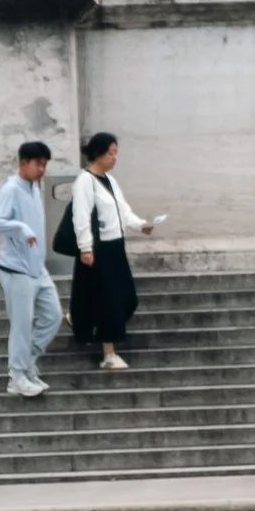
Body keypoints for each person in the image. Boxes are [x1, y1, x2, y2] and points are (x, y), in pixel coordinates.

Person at [68, 131, 158, 373]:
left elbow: (122, 211)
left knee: (128, 298)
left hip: (116, 246)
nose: (114, 158)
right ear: (98, 153)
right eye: (111, 153)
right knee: (111, 301)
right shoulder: (85, 181)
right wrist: (86, 248)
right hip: (99, 249)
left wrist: (140, 225)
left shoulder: (109, 180)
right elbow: (81, 217)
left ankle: (85, 321)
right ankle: (109, 354)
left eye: (116, 152)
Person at [0, 139, 59, 398]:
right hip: (15, 269)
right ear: (23, 163)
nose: (42, 169)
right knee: (21, 324)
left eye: (44, 165)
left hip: (37, 268)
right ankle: (16, 377)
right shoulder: (11, 189)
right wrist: (21, 229)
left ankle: (26, 363)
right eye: (38, 164)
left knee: (52, 316)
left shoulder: (33, 188)